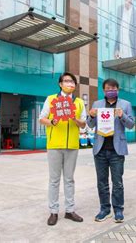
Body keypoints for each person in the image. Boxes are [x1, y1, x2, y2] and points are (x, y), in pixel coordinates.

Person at [39, 72, 86, 226]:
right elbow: (42, 118)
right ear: (60, 84)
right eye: (66, 81)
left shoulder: (79, 102)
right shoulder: (51, 99)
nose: (70, 84)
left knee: (69, 179)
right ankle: (53, 211)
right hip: (54, 145)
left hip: (72, 145)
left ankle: (70, 210)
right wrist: (53, 121)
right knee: (54, 180)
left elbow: (83, 124)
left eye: (72, 82)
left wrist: (75, 118)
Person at [86, 78, 135, 223]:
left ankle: (118, 210)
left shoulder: (125, 104)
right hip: (100, 149)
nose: (110, 90)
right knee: (102, 182)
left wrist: (122, 115)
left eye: (113, 88)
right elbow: (90, 124)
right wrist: (92, 115)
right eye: (108, 88)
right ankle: (105, 209)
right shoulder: (97, 104)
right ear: (103, 90)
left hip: (117, 150)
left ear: (118, 90)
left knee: (117, 182)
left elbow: (131, 125)